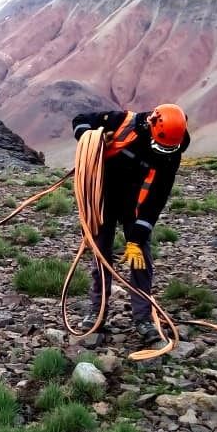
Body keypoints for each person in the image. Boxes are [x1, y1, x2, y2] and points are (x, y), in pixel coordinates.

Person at [71, 104, 190, 341]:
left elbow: (157, 196)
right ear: (151, 124)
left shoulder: (172, 151)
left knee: (141, 258)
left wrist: (137, 236)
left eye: (167, 148)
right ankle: (97, 313)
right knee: (101, 255)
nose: (162, 151)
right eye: (159, 145)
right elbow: (80, 119)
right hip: (102, 199)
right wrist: (90, 137)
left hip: (134, 206)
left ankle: (143, 318)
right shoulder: (121, 122)